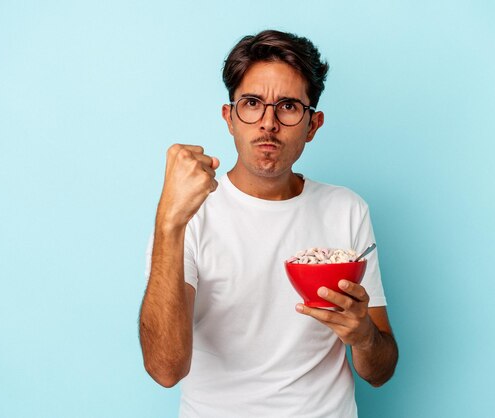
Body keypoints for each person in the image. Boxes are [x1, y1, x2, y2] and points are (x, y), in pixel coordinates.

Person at [139, 29, 398, 417]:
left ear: (313, 125)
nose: (268, 123)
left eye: (289, 106)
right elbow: (165, 369)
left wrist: (363, 336)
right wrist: (168, 223)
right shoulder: (189, 213)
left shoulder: (347, 210)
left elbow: (380, 371)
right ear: (230, 117)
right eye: (252, 103)